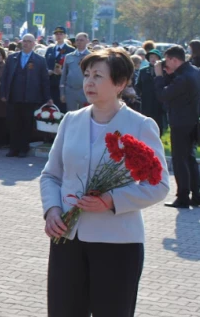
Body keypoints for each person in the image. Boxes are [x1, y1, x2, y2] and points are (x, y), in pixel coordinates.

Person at [41, 48, 169, 317]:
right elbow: (51, 175)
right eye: (86, 74)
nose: (89, 82)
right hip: (67, 239)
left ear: (120, 83)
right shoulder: (71, 121)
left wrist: (112, 200)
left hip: (117, 244)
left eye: (98, 76)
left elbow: (159, 185)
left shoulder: (140, 125)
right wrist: (52, 210)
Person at [154, 45, 200, 208]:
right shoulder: (194, 71)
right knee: (190, 158)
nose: (165, 63)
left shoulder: (183, 78)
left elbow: (163, 95)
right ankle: (196, 195)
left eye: (167, 60)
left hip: (181, 122)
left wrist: (159, 76)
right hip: (192, 120)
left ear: (174, 60)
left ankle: (182, 197)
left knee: (180, 160)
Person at [0, 34, 52, 158]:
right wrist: (3, 93)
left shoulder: (40, 60)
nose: (26, 43)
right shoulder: (12, 58)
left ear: (34, 43)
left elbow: (44, 80)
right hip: (14, 96)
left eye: (29, 41)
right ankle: (13, 149)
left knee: (26, 124)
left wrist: (47, 97)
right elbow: (5, 77)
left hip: (30, 97)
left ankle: (24, 149)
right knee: (13, 123)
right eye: (24, 41)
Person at [45, 26, 75, 112]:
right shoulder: (50, 50)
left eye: (61, 34)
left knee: (62, 109)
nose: (58, 36)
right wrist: (48, 71)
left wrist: (62, 72)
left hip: (63, 84)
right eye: (56, 34)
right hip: (51, 83)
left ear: (65, 36)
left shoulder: (70, 50)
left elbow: (73, 68)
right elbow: (45, 65)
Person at [136, 49, 166, 135]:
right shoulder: (143, 71)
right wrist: (140, 95)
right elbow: (138, 85)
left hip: (159, 101)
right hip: (146, 101)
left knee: (158, 122)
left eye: (155, 57)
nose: (153, 59)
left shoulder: (163, 71)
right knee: (146, 120)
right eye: (151, 57)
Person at [60, 32, 90, 111]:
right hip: (70, 91)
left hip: (85, 91)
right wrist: (62, 93)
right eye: (77, 40)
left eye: (81, 40)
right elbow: (63, 76)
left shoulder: (91, 56)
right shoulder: (69, 56)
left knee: (85, 115)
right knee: (71, 116)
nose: (79, 42)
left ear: (87, 41)